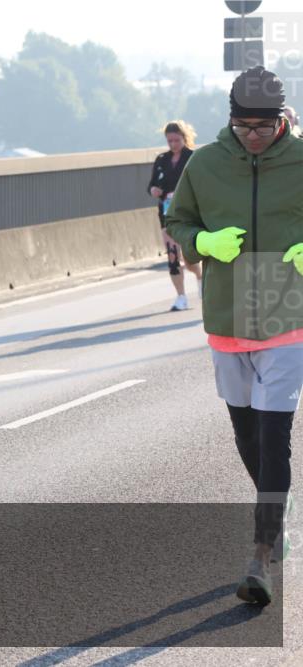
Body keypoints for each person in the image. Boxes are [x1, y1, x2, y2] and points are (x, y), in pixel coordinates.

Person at [166, 66, 303, 607]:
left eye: (264, 126)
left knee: (275, 440)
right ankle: (278, 511)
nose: (253, 135)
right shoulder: (205, 163)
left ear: (281, 119)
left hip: (285, 311)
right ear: (229, 119)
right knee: (247, 438)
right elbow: (177, 222)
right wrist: (203, 240)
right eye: (244, 125)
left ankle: (261, 554)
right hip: (226, 317)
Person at [147, 120, 202, 311]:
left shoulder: (193, 157)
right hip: (166, 213)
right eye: (169, 141)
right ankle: (181, 296)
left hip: (187, 212)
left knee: (189, 258)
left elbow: (200, 184)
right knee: (172, 255)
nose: (173, 144)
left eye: (176, 140)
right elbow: (152, 184)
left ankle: (199, 275)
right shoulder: (161, 160)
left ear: (184, 138)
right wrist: (154, 190)